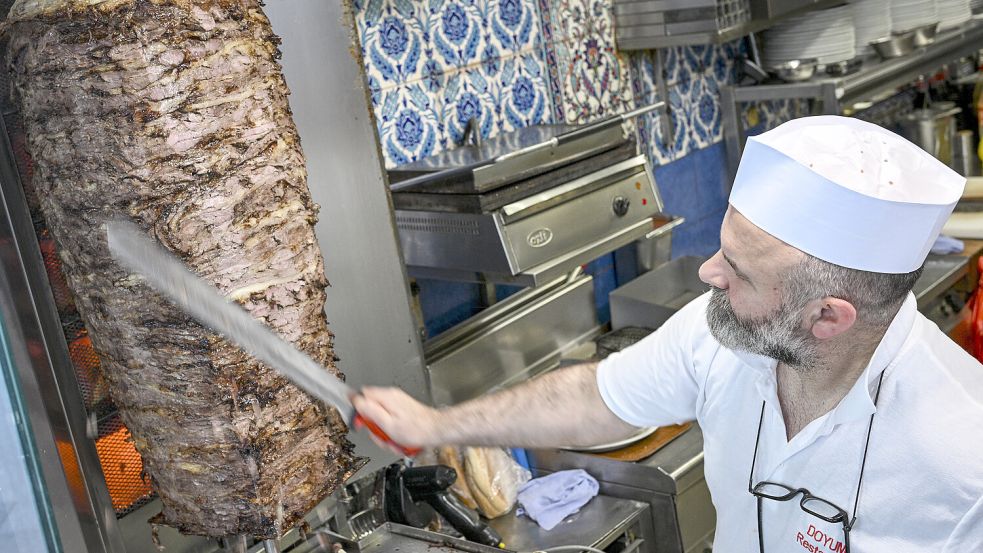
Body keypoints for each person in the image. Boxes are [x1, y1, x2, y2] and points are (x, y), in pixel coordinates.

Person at [353, 116, 983, 552]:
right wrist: (435, 427)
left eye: (737, 271)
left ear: (827, 318)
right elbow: (594, 398)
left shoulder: (961, 452)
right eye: (722, 249)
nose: (709, 272)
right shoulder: (723, 338)